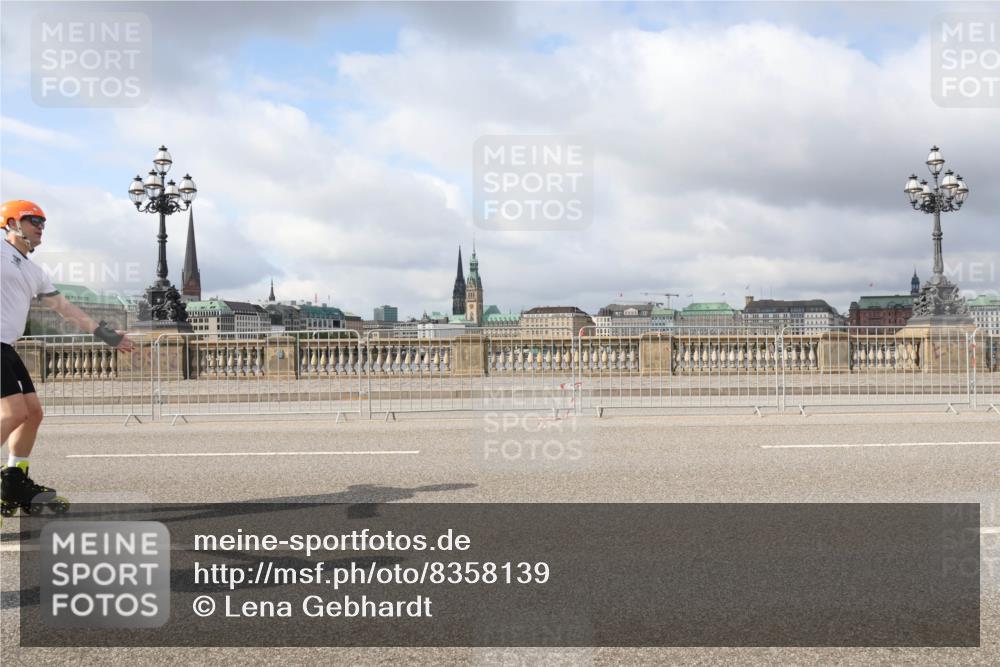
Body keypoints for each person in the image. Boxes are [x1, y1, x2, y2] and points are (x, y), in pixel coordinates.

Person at [1, 199, 134, 515]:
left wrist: (108, 336)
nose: (40, 226)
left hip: (6, 346)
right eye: (34, 220)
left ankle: (13, 479)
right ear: (10, 223)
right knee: (12, 413)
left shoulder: (35, 271)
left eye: (43, 222)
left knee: (33, 413)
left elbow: (65, 309)